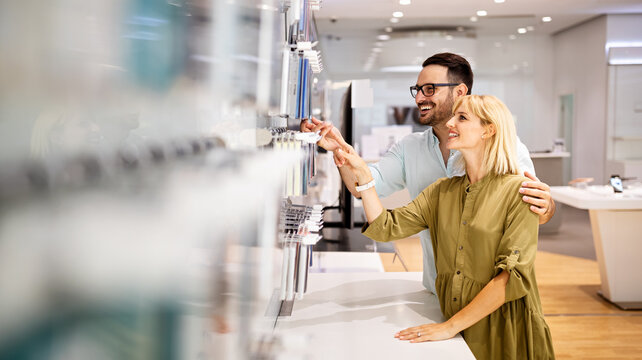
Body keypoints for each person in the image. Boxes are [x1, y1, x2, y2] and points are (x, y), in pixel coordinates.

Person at [302, 53, 555, 294]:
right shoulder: (410, 148)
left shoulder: (506, 149)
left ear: (460, 92)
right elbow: (365, 187)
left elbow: (533, 212)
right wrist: (342, 151)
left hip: (489, 297)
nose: (419, 97)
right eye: (418, 89)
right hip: (438, 290)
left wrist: (547, 207)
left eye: (430, 89)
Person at [338, 94, 555, 359]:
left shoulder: (519, 192)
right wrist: (362, 174)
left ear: (489, 129)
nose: (450, 122)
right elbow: (386, 227)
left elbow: (511, 278)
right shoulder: (442, 191)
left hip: (506, 328)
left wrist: (449, 327)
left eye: (461, 118)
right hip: (455, 322)